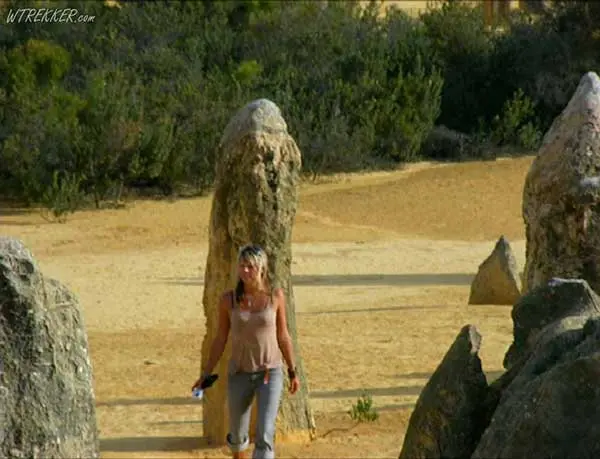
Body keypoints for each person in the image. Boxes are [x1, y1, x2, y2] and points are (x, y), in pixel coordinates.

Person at [192, 244, 300, 459]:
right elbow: (220, 339)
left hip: (270, 373)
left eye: (250, 266)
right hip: (239, 373)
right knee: (238, 437)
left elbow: (283, 335)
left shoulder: (275, 297)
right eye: (242, 266)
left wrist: (292, 370)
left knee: (265, 433)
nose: (245, 271)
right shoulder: (228, 300)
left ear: (262, 269)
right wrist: (205, 373)